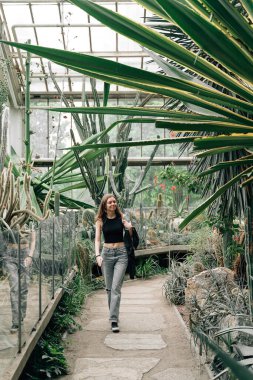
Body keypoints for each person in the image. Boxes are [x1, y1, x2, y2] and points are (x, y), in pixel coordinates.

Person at [95, 194, 132, 333]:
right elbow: (97, 240)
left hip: (121, 254)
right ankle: (113, 316)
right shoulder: (100, 220)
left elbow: (131, 233)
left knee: (116, 287)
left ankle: (113, 320)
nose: (113, 204)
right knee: (109, 289)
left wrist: (129, 227)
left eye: (114, 202)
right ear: (105, 206)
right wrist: (97, 255)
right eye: (110, 202)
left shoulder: (121, 217)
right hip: (107, 255)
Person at [1, 226, 36, 333]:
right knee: (14, 288)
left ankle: (21, 316)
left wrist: (30, 256)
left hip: (25, 255)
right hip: (10, 256)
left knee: (24, 288)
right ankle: (15, 322)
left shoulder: (29, 224)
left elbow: (33, 240)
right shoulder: (8, 223)